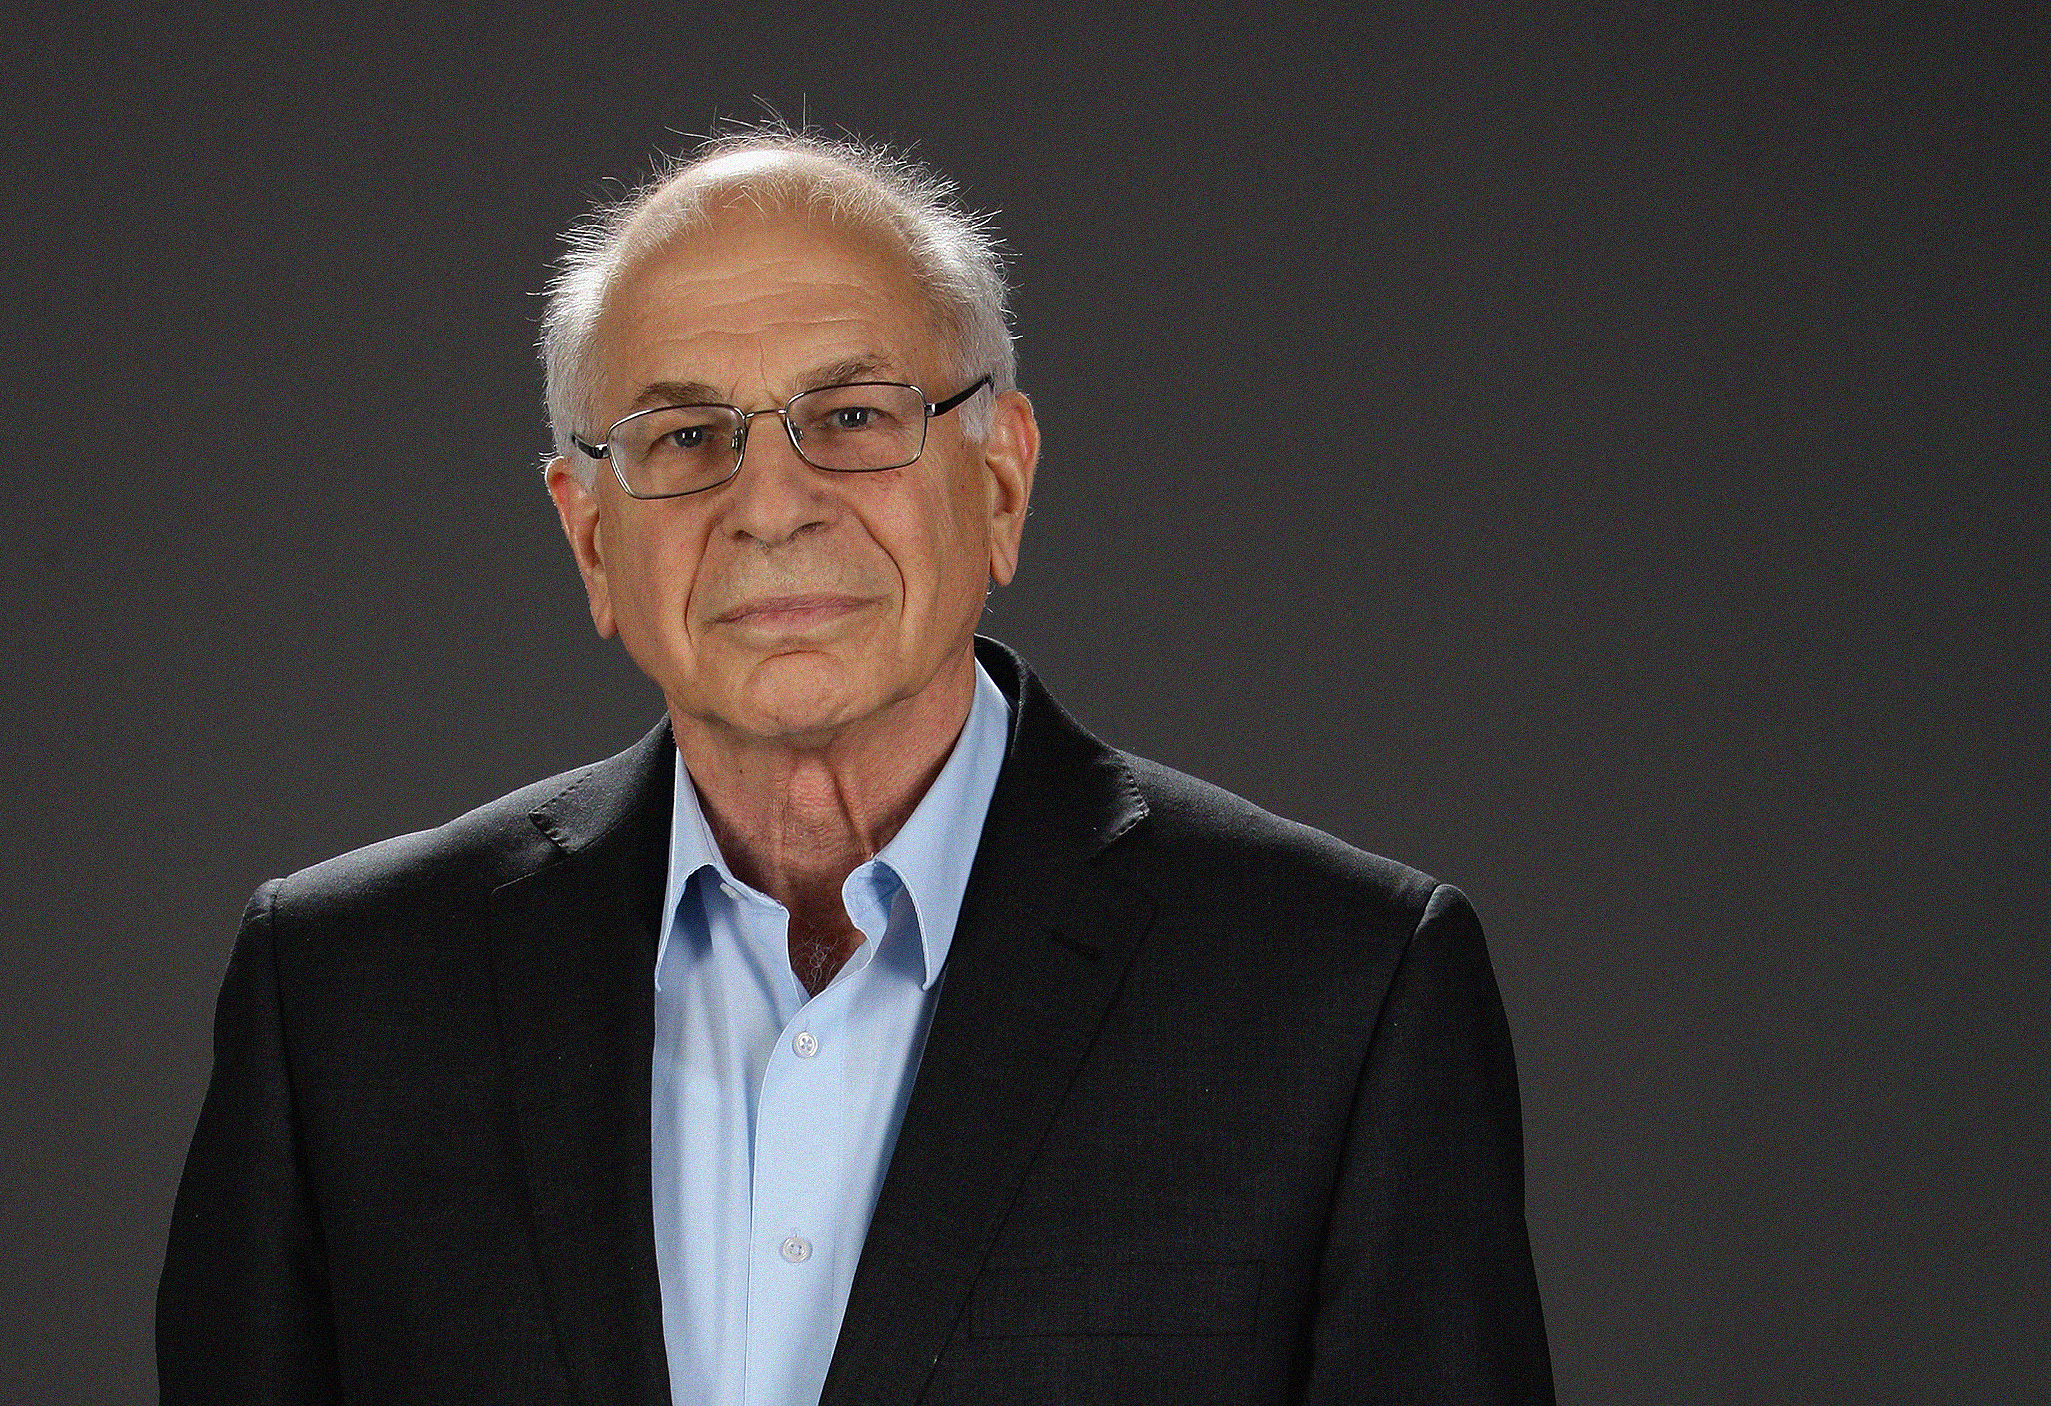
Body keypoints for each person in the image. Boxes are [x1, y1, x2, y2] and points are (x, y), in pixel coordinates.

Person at [158, 127, 1554, 1405]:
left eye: (854, 417)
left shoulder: (1343, 994)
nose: (771, 505)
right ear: (589, 538)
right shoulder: (343, 999)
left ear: (999, 485)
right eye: (686, 437)